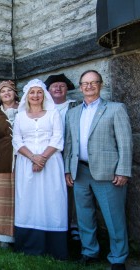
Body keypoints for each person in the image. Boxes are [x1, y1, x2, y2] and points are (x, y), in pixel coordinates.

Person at [64, 70, 132, 270]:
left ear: (101, 85)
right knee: (84, 216)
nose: (89, 86)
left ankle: (118, 258)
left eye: (93, 82)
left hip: (108, 173)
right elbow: (69, 144)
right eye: (85, 83)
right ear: (80, 86)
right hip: (80, 171)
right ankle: (89, 252)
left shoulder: (115, 109)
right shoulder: (73, 112)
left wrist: (123, 171)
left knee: (114, 217)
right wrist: (68, 170)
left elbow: (125, 143)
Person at [12, 79, 68, 260]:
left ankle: (55, 246)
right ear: (27, 96)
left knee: (52, 198)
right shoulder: (20, 116)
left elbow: (58, 137)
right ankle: (29, 244)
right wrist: (33, 157)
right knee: (28, 199)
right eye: (32, 92)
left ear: (44, 95)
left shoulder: (53, 114)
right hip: (26, 162)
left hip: (51, 163)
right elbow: (17, 140)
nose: (35, 96)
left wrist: (42, 158)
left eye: (39, 92)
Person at [44, 73, 79, 241]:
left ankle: (74, 226)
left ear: (67, 89)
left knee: (72, 191)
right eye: (54, 86)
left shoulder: (75, 106)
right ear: (48, 91)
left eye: (61, 86)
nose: (58, 88)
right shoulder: (44, 109)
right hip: (50, 155)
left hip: (70, 154)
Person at [0, 80, 19, 248]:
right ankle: (2, 237)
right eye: (2, 92)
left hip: (24, 161)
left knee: (22, 199)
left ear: (15, 92)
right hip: (1, 161)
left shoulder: (26, 110)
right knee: (2, 199)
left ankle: (22, 233)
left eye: (9, 90)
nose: (6, 93)